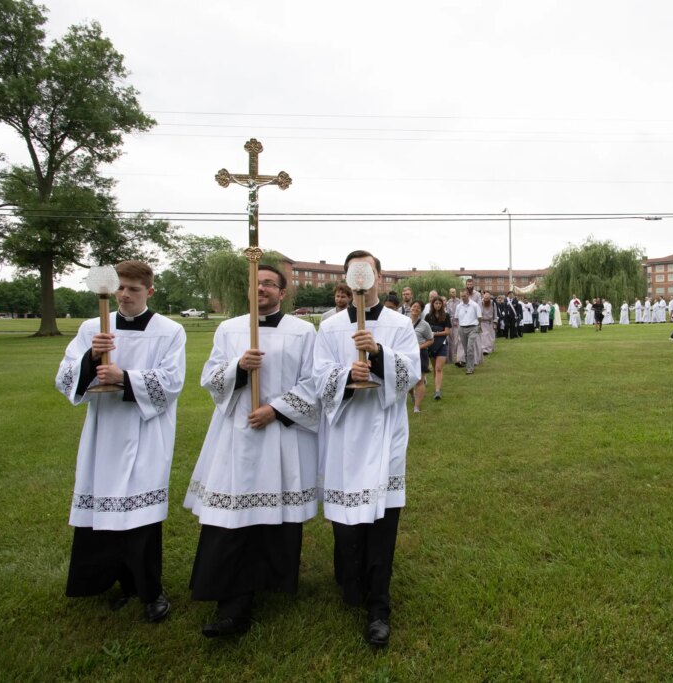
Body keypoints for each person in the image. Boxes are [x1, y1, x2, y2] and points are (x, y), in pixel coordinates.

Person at [184, 264, 320, 637]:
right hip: (236, 436)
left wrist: (275, 409)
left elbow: (315, 382)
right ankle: (231, 602)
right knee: (231, 517)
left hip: (279, 436)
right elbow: (210, 379)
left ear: (283, 292)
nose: (261, 289)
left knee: (274, 515)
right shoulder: (229, 329)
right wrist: (239, 368)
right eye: (255, 284)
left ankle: (271, 581)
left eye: (269, 284)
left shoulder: (304, 332)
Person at [55, 260, 186, 624]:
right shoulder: (92, 328)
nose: (125, 295)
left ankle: (149, 590)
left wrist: (124, 377)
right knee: (103, 506)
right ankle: (108, 582)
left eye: (133, 289)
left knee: (141, 515)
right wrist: (90, 358)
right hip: (104, 432)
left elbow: (172, 382)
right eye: (121, 288)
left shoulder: (170, 330)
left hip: (146, 430)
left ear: (149, 291)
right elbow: (64, 376)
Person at [314, 250, 421, 648]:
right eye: (353, 272)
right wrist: (346, 375)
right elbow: (317, 378)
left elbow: (411, 373)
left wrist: (377, 356)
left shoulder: (398, 324)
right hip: (344, 435)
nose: (361, 278)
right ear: (345, 278)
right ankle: (351, 582)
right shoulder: (328, 328)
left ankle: (379, 604)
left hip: (384, 432)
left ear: (378, 276)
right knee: (346, 523)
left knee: (382, 522)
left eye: (368, 271)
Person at [409, 301, 433, 413]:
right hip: (406, 354)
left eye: (418, 308)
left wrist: (420, 347)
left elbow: (431, 340)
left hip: (420, 355)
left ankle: (416, 407)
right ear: (410, 308)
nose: (415, 309)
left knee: (420, 380)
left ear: (421, 311)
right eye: (414, 306)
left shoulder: (425, 325)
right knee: (407, 380)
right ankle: (412, 394)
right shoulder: (404, 322)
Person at [425, 296, 451, 400]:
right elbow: (426, 331)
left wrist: (435, 333)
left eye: (440, 303)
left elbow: (447, 332)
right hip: (431, 345)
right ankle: (437, 386)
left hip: (442, 344)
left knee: (438, 368)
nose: (438, 305)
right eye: (436, 303)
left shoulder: (446, 316)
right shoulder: (428, 316)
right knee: (435, 368)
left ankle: (437, 391)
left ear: (442, 305)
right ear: (432, 304)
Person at [456, 288, 482, 374]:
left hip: (472, 328)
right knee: (465, 348)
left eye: (464, 296)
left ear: (468, 295)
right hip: (462, 328)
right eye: (461, 296)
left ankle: (470, 369)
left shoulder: (474, 305)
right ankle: (469, 365)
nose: (463, 297)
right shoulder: (459, 306)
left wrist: (478, 327)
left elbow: (479, 317)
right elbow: (457, 319)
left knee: (470, 348)